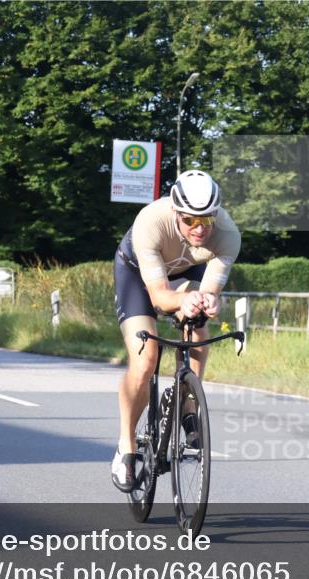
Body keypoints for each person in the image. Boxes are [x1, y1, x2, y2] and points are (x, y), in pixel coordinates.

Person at [111, 170, 241, 491]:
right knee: (145, 359)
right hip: (138, 277)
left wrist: (206, 302)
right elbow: (159, 297)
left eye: (206, 221)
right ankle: (126, 446)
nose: (199, 229)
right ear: (175, 212)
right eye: (190, 221)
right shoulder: (150, 222)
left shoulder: (227, 235)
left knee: (199, 327)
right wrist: (182, 300)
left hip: (186, 272)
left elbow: (209, 290)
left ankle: (186, 404)